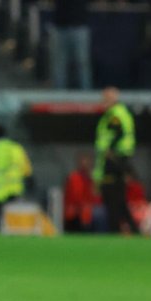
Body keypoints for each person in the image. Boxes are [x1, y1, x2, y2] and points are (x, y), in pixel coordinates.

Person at [94, 87, 136, 235]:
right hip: (116, 158)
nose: (103, 101)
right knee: (117, 198)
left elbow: (118, 133)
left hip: (115, 159)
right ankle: (127, 228)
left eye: (106, 98)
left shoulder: (115, 113)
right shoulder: (115, 113)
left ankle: (118, 229)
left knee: (113, 196)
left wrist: (109, 150)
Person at [63, 153, 101, 232]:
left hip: (86, 211)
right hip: (74, 212)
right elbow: (74, 197)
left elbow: (96, 198)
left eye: (88, 162)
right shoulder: (74, 177)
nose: (86, 165)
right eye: (83, 162)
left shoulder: (92, 179)